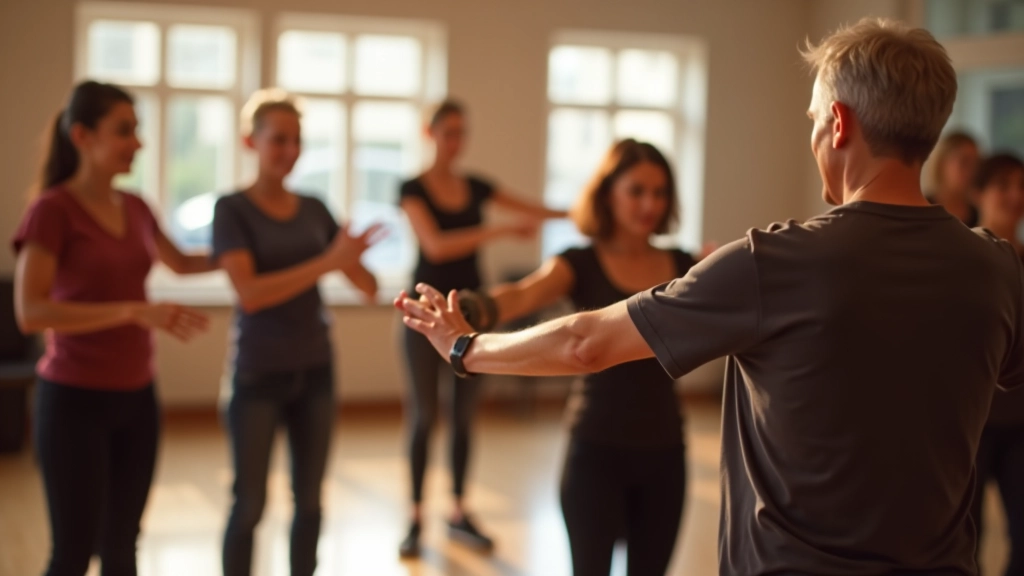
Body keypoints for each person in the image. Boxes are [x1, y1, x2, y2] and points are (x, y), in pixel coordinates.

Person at [396, 19, 1024, 576]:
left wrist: (464, 348)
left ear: (839, 124)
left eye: (812, 120)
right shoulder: (997, 268)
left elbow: (586, 343)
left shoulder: (773, 262)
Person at [457, 138, 699, 575]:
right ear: (608, 194)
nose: (650, 204)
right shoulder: (580, 262)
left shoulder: (685, 265)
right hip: (595, 453)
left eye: (659, 192)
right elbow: (521, 295)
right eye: (637, 191)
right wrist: (467, 310)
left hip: (664, 453)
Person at [11, 80, 213, 576]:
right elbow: (31, 311)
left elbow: (184, 263)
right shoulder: (52, 211)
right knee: (73, 554)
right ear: (82, 136)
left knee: (123, 550)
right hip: (73, 401)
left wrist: (259, 250)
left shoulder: (137, 207)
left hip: (137, 399)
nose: (138, 142)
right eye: (124, 131)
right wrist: (132, 311)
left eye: (137, 130)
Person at [213, 89, 382, 576]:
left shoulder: (314, 207)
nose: (290, 150)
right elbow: (250, 293)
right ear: (251, 141)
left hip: (315, 370)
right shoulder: (232, 209)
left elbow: (368, 287)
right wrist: (327, 262)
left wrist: (350, 259)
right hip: (257, 375)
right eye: (279, 140)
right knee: (249, 504)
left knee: (309, 501)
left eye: (297, 140)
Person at [397, 99, 565, 557]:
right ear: (430, 134)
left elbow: (536, 209)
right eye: (448, 132)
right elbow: (436, 246)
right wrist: (500, 231)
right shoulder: (411, 188)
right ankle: (415, 517)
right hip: (423, 316)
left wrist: (588, 213)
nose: (456, 141)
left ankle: (458, 512)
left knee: (464, 417)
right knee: (423, 417)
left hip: (471, 316)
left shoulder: (476, 187)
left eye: (462, 132)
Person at [972, 152, 1024, 576]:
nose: (1015, 196)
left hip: (1020, 424)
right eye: (1003, 186)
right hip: (968, 426)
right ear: (979, 193)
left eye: (1021, 187)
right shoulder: (962, 260)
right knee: (961, 541)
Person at [927, 131, 981, 226]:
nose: (972, 170)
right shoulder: (923, 209)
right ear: (942, 163)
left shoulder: (979, 213)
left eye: (976, 163)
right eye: (964, 162)